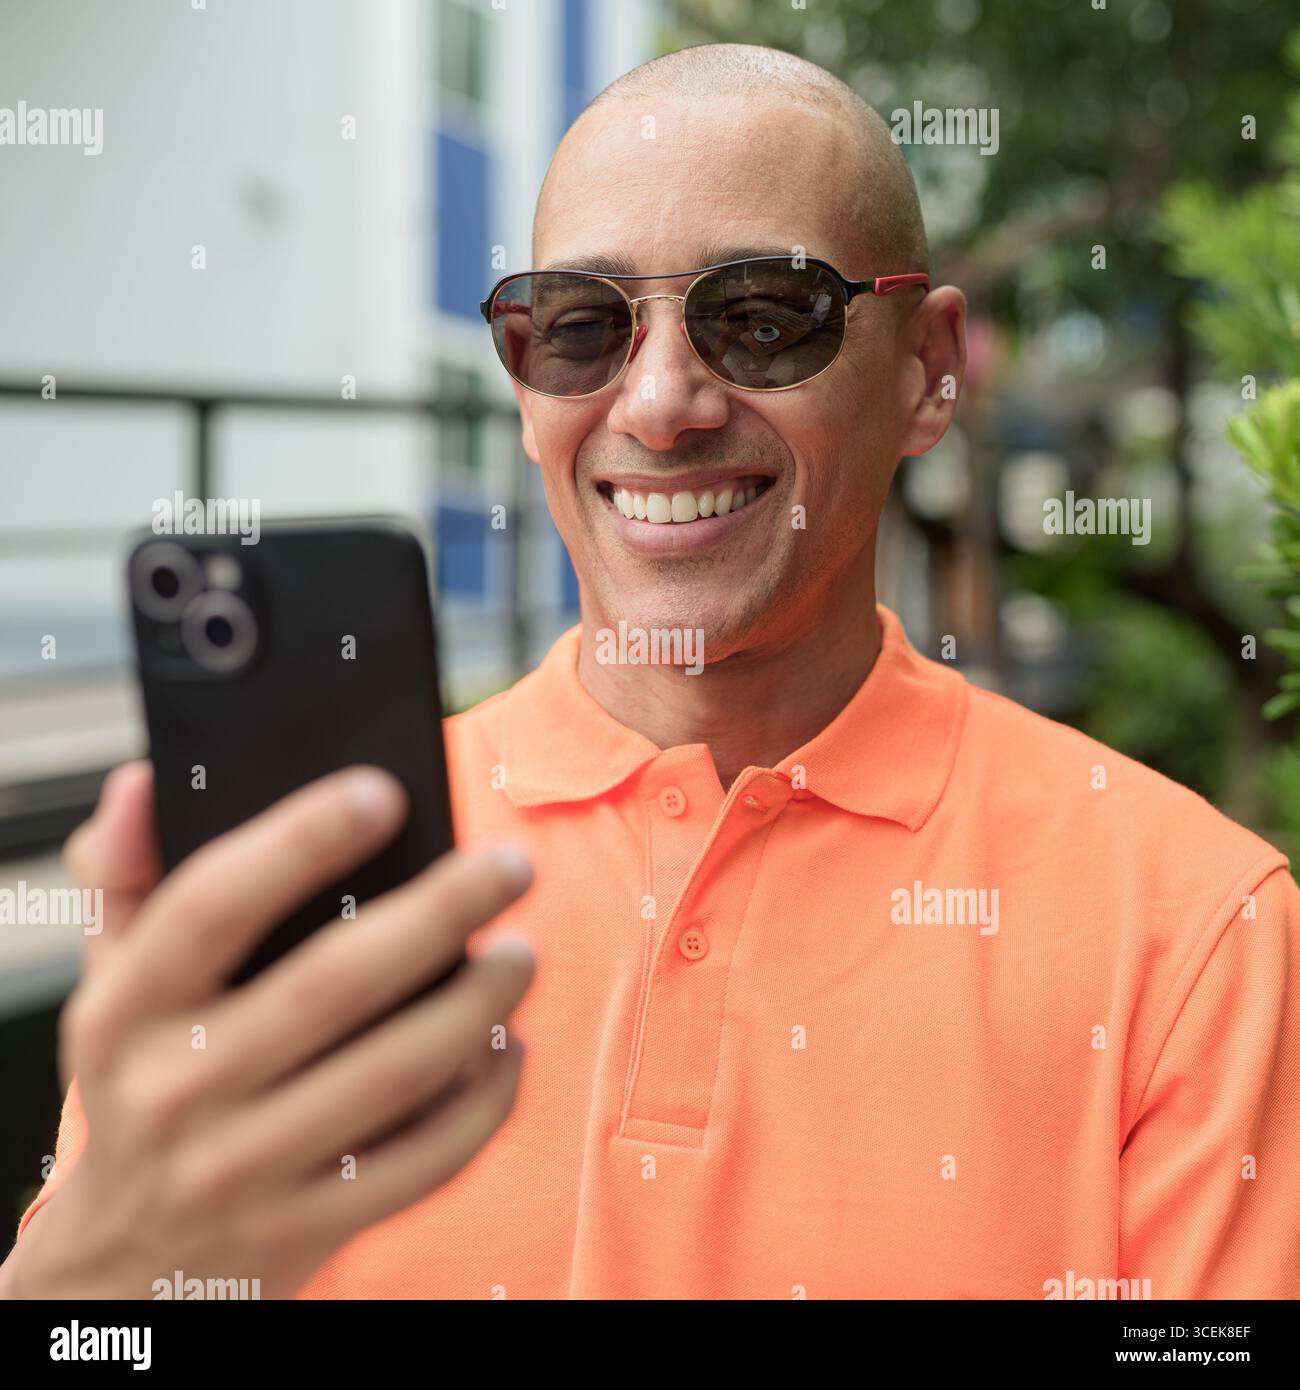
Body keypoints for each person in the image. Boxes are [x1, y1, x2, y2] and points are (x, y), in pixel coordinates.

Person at [5, 42, 1298, 1301]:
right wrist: (106, 1284)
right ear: (520, 385)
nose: (661, 401)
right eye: (580, 326)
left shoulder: (1194, 935)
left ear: (929, 370)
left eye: (764, 316)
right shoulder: (310, 875)